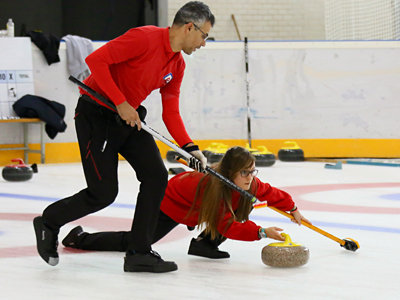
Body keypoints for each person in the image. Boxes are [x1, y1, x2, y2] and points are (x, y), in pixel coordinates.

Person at [33, 1, 215, 274]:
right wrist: (120, 102)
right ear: (190, 27)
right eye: (204, 36)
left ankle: (138, 252)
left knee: (156, 177)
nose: (203, 43)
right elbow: (95, 61)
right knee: (103, 193)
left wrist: (191, 148)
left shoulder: (176, 65)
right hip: (98, 115)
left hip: (129, 118)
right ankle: (49, 221)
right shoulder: (144, 37)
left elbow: (171, 112)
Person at [61, 147, 312, 261]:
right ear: (230, 172)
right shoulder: (213, 188)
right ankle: (79, 239)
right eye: (244, 173)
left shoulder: (248, 183)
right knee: (136, 242)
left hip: (197, 204)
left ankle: (204, 245)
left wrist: (293, 209)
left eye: (252, 171)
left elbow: (273, 193)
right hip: (171, 202)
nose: (250, 177)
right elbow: (227, 226)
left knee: (243, 205)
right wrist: (262, 232)